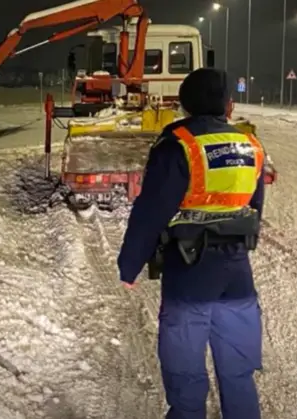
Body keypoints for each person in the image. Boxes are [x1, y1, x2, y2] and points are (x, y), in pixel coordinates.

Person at [117, 68, 265, 419]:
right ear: (227, 105)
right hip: (237, 277)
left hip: (189, 274)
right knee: (238, 373)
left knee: (185, 374)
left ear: (185, 103)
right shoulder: (249, 145)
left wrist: (130, 264)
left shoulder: (178, 145)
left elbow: (151, 210)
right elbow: (253, 208)